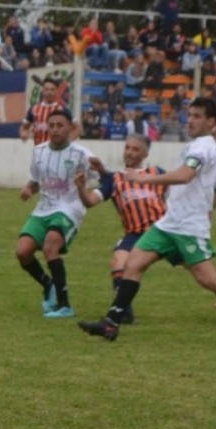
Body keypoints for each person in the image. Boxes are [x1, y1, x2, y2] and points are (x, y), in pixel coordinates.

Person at [77, 98, 216, 348]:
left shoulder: (202, 148)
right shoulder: (204, 147)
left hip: (188, 227)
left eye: (197, 116)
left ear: (211, 122)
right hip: (168, 222)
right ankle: (111, 324)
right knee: (133, 263)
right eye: (189, 115)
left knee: (208, 279)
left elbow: (185, 175)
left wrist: (142, 179)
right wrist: (208, 207)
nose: (190, 120)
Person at [75, 133, 168, 324]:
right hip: (134, 235)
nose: (130, 152)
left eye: (135, 149)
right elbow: (90, 201)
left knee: (203, 274)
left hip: (164, 233)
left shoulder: (158, 173)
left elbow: (179, 196)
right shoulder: (115, 179)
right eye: (127, 147)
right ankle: (124, 313)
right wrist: (81, 188)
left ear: (145, 154)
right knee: (119, 261)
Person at [17, 108, 97, 319]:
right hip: (43, 208)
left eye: (60, 125)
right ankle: (48, 284)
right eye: (51, 126)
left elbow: (104, 177)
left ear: (70, 128)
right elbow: (36, 181)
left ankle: (64, 305)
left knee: (50, 246)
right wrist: (28, 189)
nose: (55, 130)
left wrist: (90, 191)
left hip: (70, 208)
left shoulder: (82, 154)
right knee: (23, 252)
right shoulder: (39, 152)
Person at [20, 77, 65, 145]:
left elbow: (75, 127)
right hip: (39, 149)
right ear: (43, 91)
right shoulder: (34, 108)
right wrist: (23, 133)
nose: (49, 92)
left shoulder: (62, 109)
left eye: (52, 90)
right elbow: (24, 126)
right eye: (47, 89)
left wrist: (70, 140)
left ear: (56, 91)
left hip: (56, 149)